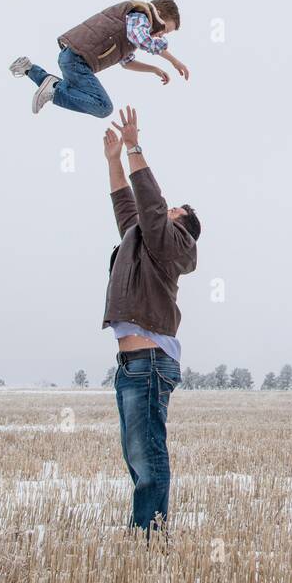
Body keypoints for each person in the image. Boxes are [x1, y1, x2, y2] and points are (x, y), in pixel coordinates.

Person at [102, 107, 200, 537]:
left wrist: (134, 147)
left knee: (148, 456)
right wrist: (114, 161)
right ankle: (146, 533)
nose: (164, 209)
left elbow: (151, 206)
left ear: (184, 227)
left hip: (150, 364)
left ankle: (150, 540)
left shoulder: (174, 244)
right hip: (131, 365)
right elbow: (130, 210)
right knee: (137, 456)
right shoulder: (145, 237)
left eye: (173, 209)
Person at [10, 0, 189, 117]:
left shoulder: (132, 33)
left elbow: (127, 62)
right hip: (77, 61)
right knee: (103, 106)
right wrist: (173, 60)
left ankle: (29, 69)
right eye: (165, 30)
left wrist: (154, 69)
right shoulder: (141, 14)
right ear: (159, 14)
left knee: (84, 97)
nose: (161, 35)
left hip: (72, 59)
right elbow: (141, 38)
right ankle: (54, 88)